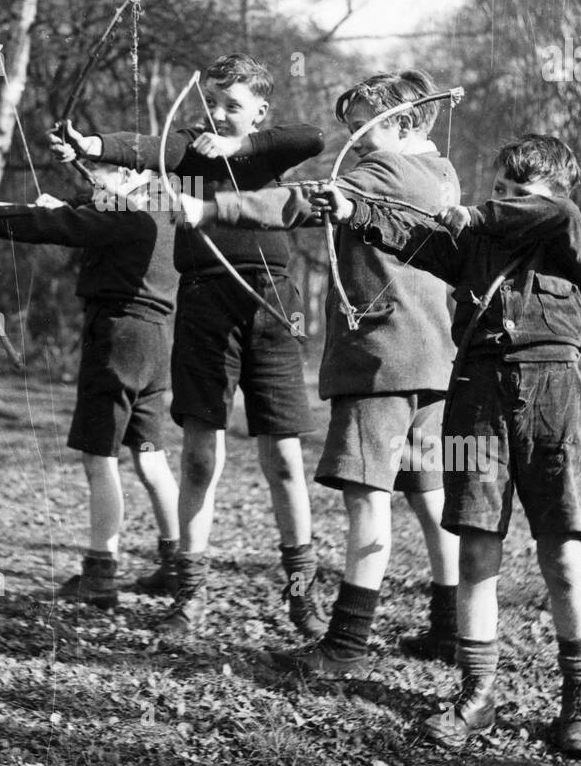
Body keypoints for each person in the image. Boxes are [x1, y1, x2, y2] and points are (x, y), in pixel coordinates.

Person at [328, 134, 581, 757]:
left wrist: (479, 212)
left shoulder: (564, 227)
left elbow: (547, 213)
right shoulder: (474, 244)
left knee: (561, 553)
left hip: (554, 393)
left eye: (517, 193)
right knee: (477, 545)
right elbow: (417, 236)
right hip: (477, 393)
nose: (502, 199)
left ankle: (579, 700)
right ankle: (477, 694)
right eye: (499, 188)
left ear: (553, 195)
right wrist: (356, 213)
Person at [180, 70, 462, 676]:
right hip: (432, 359)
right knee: (428, 492)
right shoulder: (442, 173)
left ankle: (346, 648)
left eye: (365, 125)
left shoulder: (384, 171)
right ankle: (451, 629)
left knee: (368, 498)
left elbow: (298, 199)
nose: (353, 140)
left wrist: (211, 206)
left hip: (381, 359)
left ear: (407, 123)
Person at [56, 53, 325, 638]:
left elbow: (314, 135)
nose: (219, 116)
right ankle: (190, 595)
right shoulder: (187, 150)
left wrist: (237, 148)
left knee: (282, 457)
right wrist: (93, 144)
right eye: (212, 104)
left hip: (273, 304)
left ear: (260, 111)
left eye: (234, 106)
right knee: (201, 455)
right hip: (205, 305)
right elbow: (146, 147)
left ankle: (301, 595)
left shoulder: (267, 149)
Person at [0, 159, 179, 610]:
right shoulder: (164, 209)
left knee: (100, 458)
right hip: (157, 341)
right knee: (150, 457)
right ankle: (178, 564)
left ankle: (100, 575)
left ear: (133, 175)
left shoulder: (127, 212)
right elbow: (82, 216)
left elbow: (58, 225)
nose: (94, 184)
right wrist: (66, 204)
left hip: (117, 337)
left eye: (103, 176)